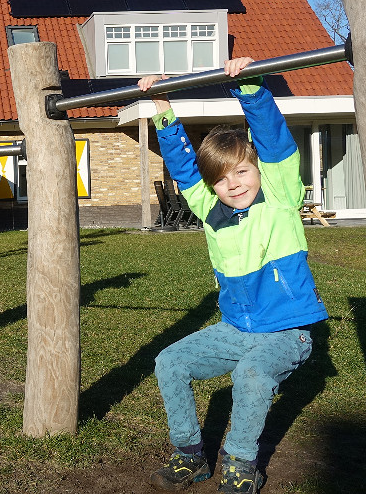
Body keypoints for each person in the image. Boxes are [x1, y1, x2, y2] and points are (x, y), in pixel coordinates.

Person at [138, 57, 328, 493]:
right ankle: (190, 457)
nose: (235, 184)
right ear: (213, 187)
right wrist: (163, 109)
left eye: (242, 171)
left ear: (259, 170)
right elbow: (185, 168)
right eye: (223, 180)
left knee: (252, 376)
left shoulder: (279, 197)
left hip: (287, 331)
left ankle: (241, 463)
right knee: (170, 362)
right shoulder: (210, 211)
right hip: (237, 329)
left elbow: (274, 141)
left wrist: (250, 89)